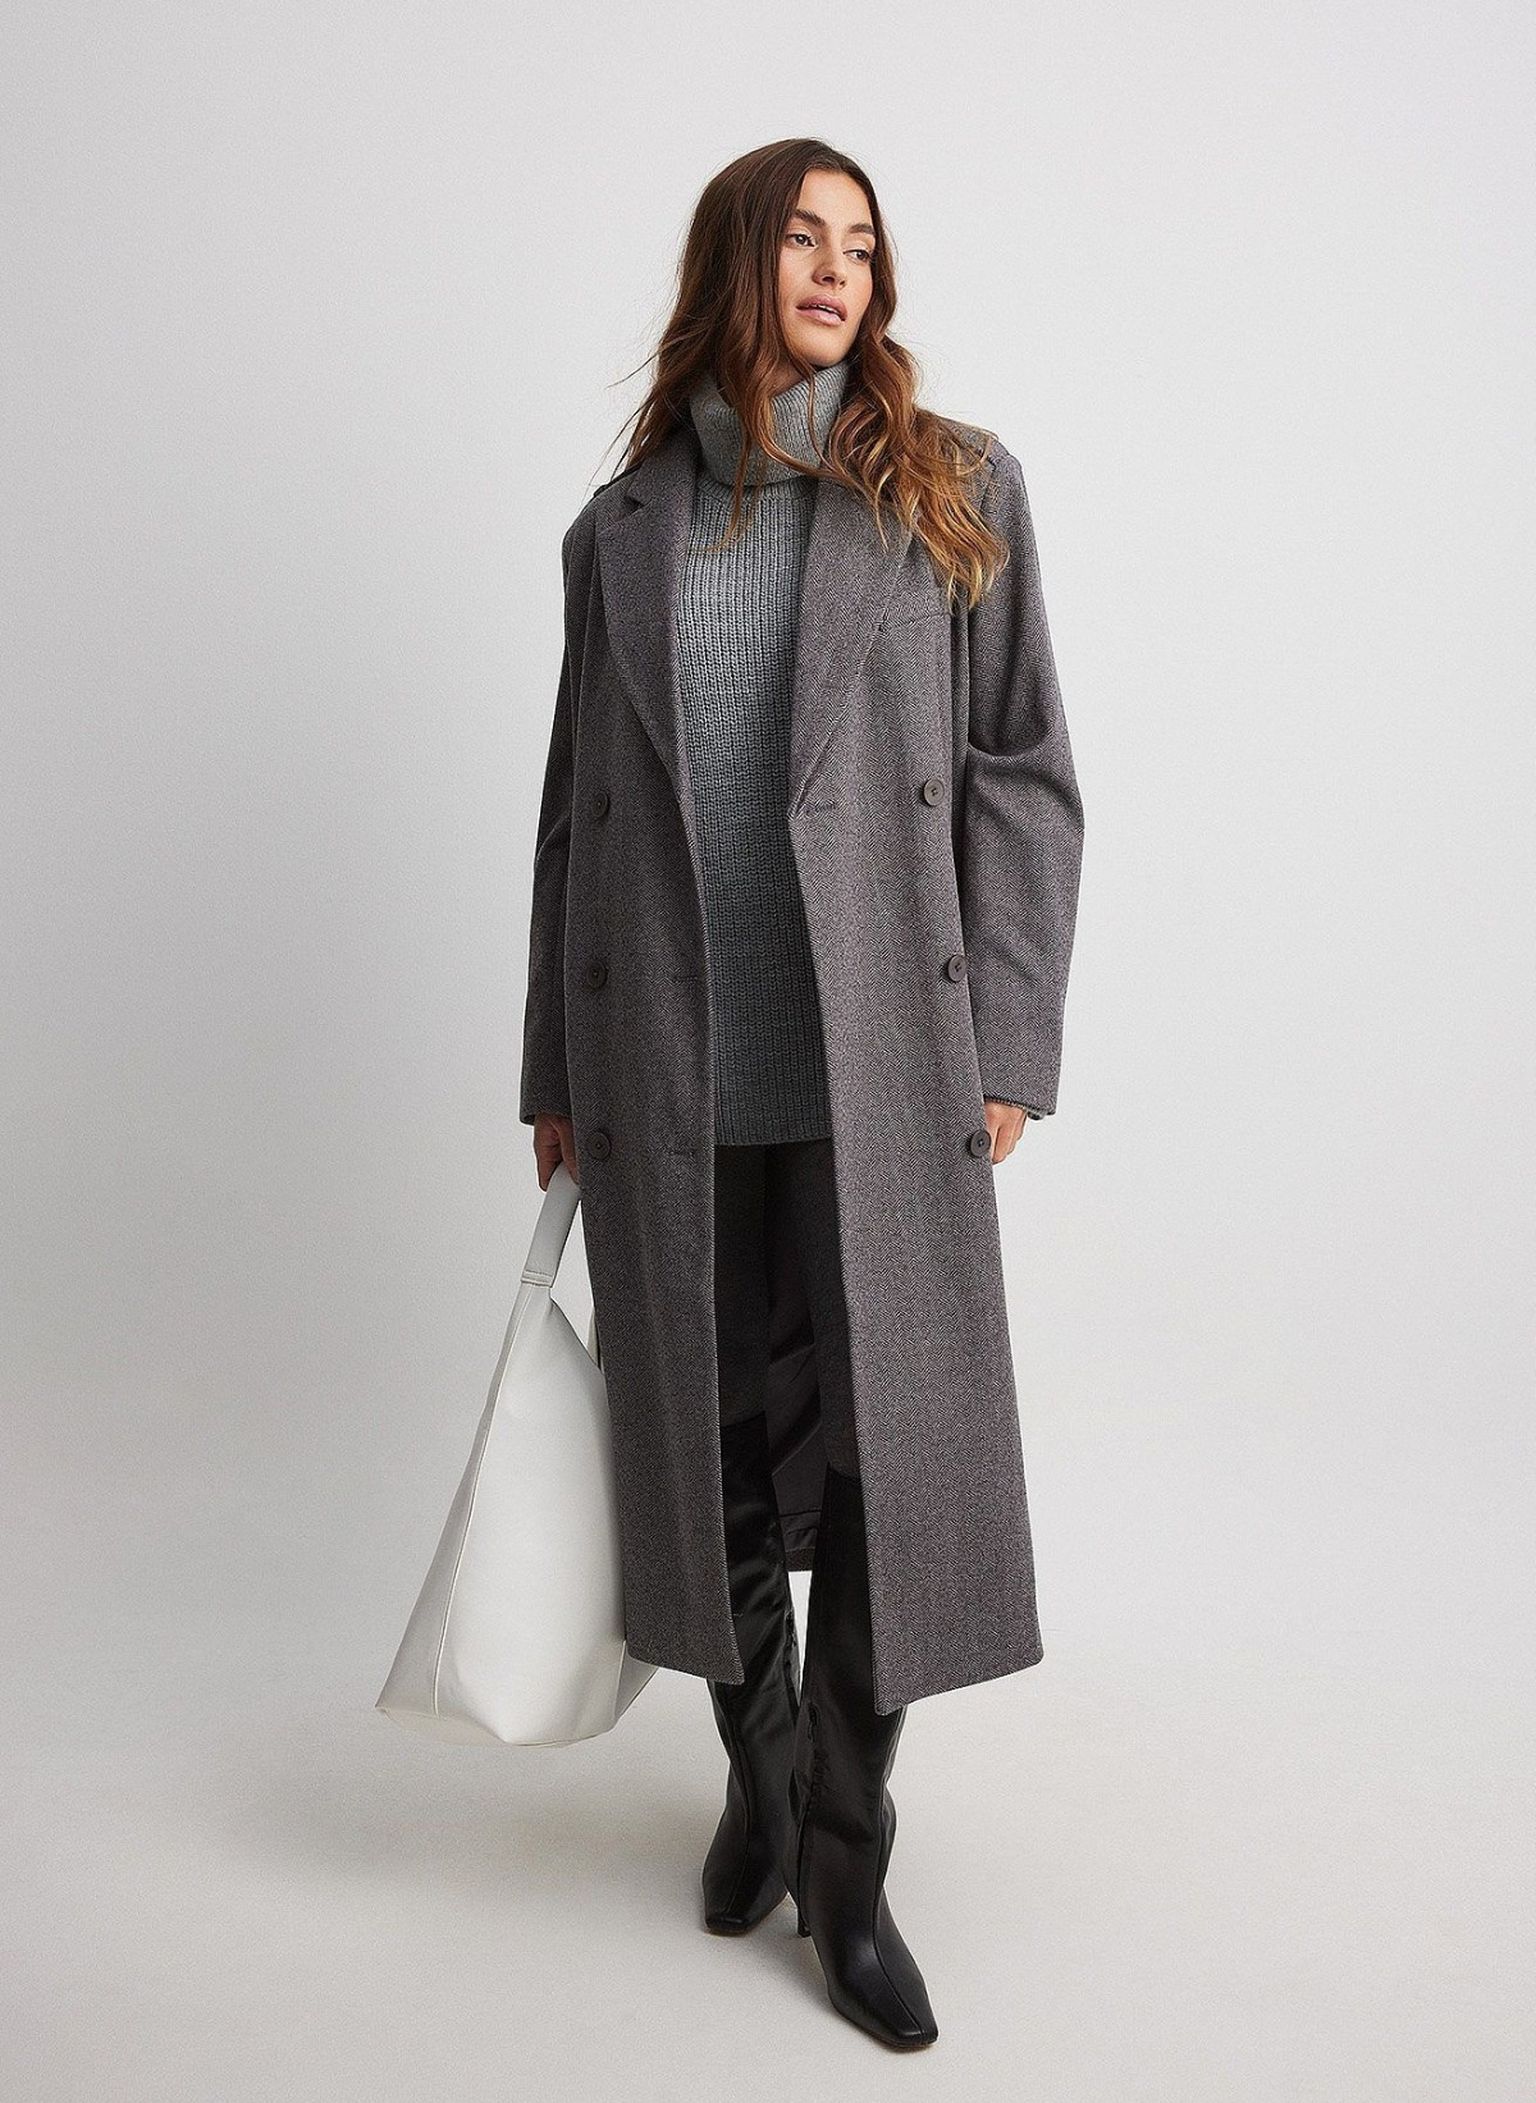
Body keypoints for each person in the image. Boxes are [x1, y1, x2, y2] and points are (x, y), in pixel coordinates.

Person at [521, 137, 1084, 2051]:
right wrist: (554, 1063)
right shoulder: (620, 530)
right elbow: (573, 818)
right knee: (712, 1452)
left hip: (885, 1060)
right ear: (734, 266)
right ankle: (759, 1775)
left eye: (862, 243)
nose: (837, 269)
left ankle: (847, 1849)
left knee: (883, 1456)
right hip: (671, 1063)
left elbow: (1022, 772)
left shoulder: (951, 486)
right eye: (801, 238)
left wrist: (1010, 1040)